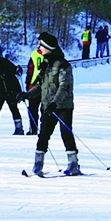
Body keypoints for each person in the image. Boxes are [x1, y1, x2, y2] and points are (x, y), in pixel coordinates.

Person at [27, 32, 80, 176]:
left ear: (48, 47)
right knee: (43, 134)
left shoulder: (63, 65)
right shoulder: (46, 64)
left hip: (63, 106)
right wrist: (29, 94)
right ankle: (38, 164)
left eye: (41, 45)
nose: (39, 48)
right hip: (47, 106)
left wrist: (54, 104)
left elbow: (64, 87)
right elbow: (41, 86)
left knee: (66, 133)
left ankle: (73, 163)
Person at [24, 36, 47, 135]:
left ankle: (44, 130)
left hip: (46, 86)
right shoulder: (34, 54)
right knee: (32, 109)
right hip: (33, 86)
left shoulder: (50, 56)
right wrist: (28, 83)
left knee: (44, 110)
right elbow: (30, 70)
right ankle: (33, 129)